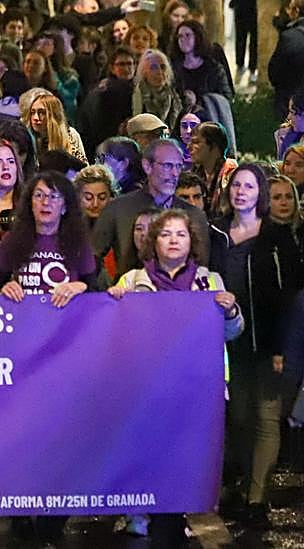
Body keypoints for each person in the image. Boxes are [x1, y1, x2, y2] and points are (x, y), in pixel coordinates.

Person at [108, 209, 243, 542]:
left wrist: (231, 311)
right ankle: (138, 510)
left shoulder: (210, 281)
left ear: (191, 242)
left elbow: (232, 332)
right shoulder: (132, 280)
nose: (173, 240)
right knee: (143, 448)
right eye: (165, 234)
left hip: (193, 388)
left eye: (180, 234)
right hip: (145, 385)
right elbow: (113, 330)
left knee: (182, 453)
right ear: (153, 242)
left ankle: (174, 509)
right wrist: (113, 302)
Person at [215, 164, 303, 527]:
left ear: (259, 193)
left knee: (267, 419)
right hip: (228, 344)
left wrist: (282, 347)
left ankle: (257, 497)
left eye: (249, 186)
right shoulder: (216, 233)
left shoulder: (278, 237)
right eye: (237, 185)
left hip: (267, 344)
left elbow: (287, 297)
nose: (241, 192)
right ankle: (238, 482)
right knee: (237, 417)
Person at [92, 139, 210, 276]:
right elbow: (91, 261)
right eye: (167, 166)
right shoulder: (117, 209)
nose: (175, 174)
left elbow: (202, 269)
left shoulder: (195, 215)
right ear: (147, 166)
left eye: (178, 166)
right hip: (130, 293)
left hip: (180, 295)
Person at [0, 171, 101, 304]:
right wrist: (4, 288)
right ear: (30, 204)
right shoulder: (11, 240)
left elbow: (95, 292)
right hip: (24, 317)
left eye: (54, 196)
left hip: (67, 319)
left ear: (64, 207)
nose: (46, 202)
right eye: (39, 195)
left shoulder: (79, 242)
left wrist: (80, 286)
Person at [189, 122, 238, 215]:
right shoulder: (195, 174)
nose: (188, 147)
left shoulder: (233, 176)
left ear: (214, 146)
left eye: (196, 142)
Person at [23, 91, 86, 161]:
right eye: (32, 112)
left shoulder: (70, 134)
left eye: (42, 113)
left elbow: (82, 167)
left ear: (54, 115)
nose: (36, 118)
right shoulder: (26, 138)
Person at [131, 49, 183, 130]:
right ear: (144, 72)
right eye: (153, 67)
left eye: (163, 67)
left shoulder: (174, 96)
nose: (159, 72)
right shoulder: (135, 94)